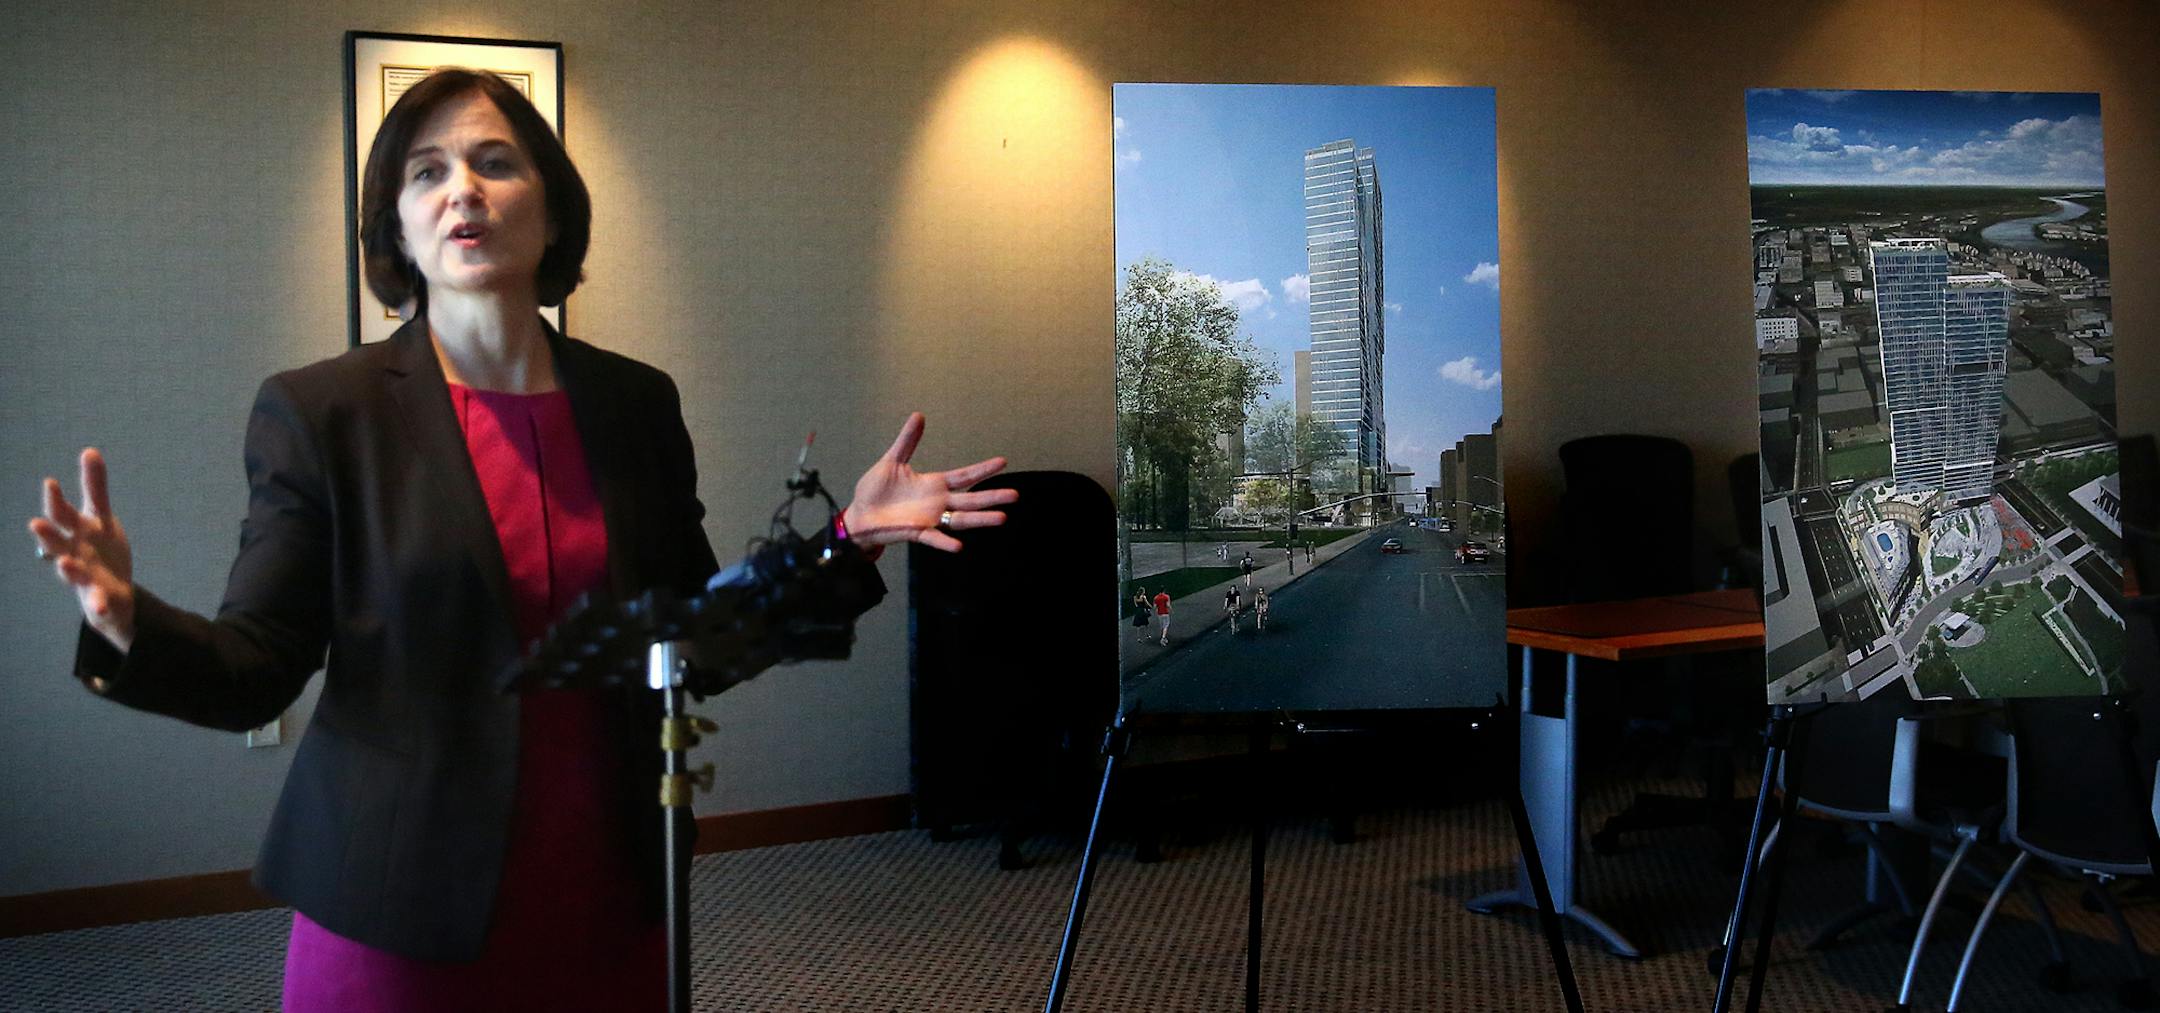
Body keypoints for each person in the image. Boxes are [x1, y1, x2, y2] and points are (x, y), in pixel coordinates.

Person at [25, 69, 1016, 1013]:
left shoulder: (634, 401)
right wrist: (125, 620)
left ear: (551, 209)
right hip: (400, 899)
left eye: (495, 162)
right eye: (427, 171)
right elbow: (256, 666)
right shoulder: (325, 412)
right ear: (397, 226)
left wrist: (849, 536)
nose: (463, 189)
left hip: (606, 885)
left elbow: (695, 641)